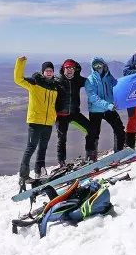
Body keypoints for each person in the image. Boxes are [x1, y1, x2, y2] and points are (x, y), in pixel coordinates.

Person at [13, 56, 58, 186]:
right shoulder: (35, 83)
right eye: (47, 70)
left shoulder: (55, 86)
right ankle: (24, 175)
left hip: (48, 122)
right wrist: (20, 62)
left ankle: (40, 170)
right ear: (43, 72)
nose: (49, 72)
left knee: (43, 148)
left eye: (51, 70)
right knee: (31, 148)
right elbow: (18, 79)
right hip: (35, 121)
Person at [85, 57, 125, 162]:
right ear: (92, 67)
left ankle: (119, 151)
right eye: (95, 65)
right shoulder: (90, 80)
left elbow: (117, 86)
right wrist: (108, 105)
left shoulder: (108, 77)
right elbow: (93, 98)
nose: (98, 67)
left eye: (100, 65)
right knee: (93, 133)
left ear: (104, 65)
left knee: (119, 128)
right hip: (96, 110)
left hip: (109, 108)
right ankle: (91, 156)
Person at [53, 59, 91, 168]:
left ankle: (90, 155)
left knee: (91, 129)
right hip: (61, 115)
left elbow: (91, 82)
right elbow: (45, 83)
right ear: (63, 69)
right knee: (62, 138)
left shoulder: (78, 80)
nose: (69, 70)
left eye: (71, 68)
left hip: (74, 114)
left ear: (75, 70)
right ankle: (61, 162)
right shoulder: (57, 80)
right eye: (67, 68)